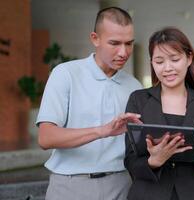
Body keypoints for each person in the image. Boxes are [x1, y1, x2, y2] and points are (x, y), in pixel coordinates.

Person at [36, 7, 142, 200]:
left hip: (122, 185)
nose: (123, 52)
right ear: (95, 39)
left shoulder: (135, 86)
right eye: (114, 43)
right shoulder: (65, 74)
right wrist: (103, 131)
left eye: (129, 44)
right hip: (70, 187)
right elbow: (46, 138)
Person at [124, 27, 194, 200]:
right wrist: (154, 161)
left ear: (188, 58)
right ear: (152, 63)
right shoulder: (138, 100)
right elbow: (130, 161)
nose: (167, 68)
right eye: (159, 61)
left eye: (175, 59)